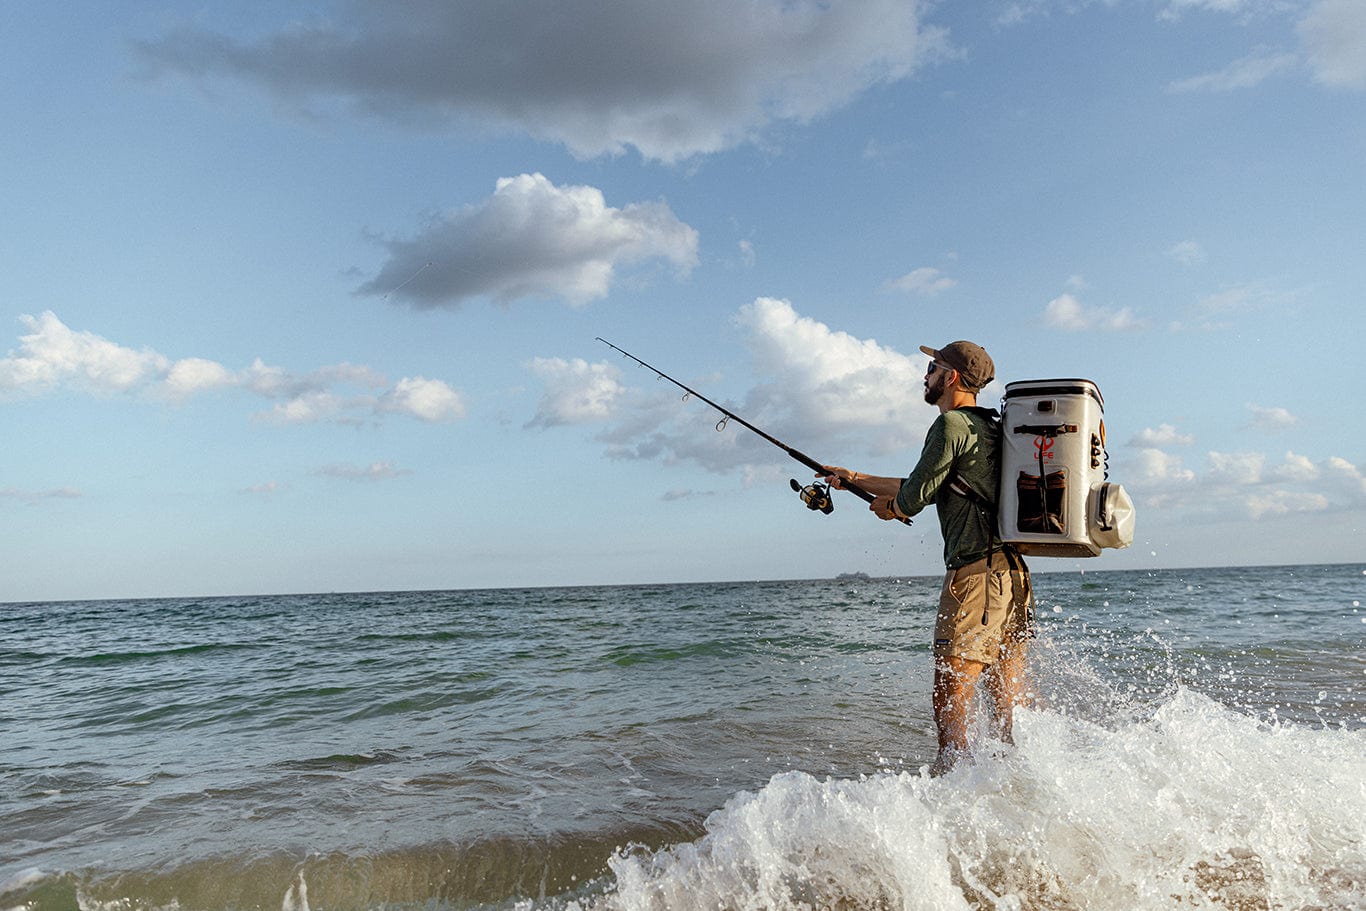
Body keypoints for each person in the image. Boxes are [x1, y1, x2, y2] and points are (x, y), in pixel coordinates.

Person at [822, 340, 1033, 776]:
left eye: (932, 368)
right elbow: (927, 482)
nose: (925, 375)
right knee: (1007, 704)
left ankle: (951, 784)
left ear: (950, 377)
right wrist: (854, 478)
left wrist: (891, 508)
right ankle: (1015, 785)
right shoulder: (986, 427)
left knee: (950, 692)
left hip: (976, 578)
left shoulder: (949, 425)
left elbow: (913, 497)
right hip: (1012, 576)